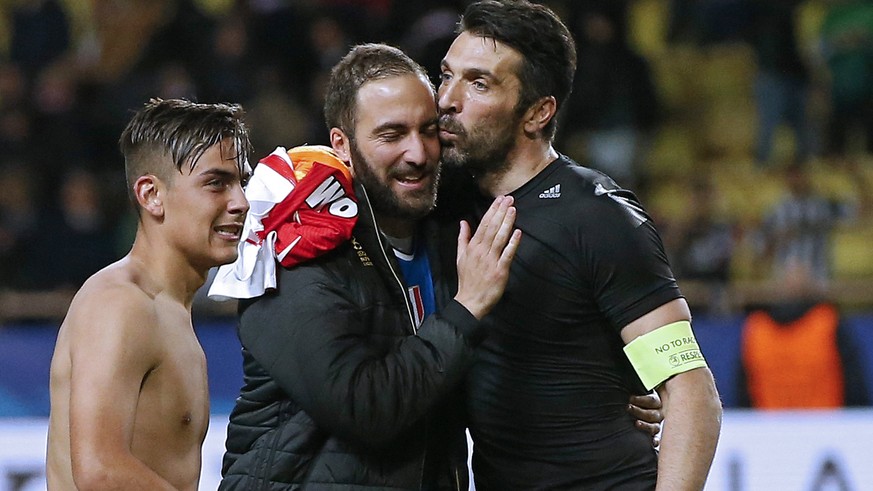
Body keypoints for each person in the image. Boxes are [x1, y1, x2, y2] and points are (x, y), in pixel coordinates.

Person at [436, 1, 723, 489]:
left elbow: (691, 392)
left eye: (479, 83)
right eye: (446, 76)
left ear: (538, 112)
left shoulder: (597, 216)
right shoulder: (445, 200)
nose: (447, 99)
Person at [215, 43, 522, 490]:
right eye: (392, 135)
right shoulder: (296, 250)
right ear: (341, 144)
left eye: (428, 129)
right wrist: (467, 307)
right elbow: (366, 411)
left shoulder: (448, 236)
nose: (418, 153)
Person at [45, 98, 252, 491]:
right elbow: (99, 471)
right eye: (216, 183)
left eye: (242, 181)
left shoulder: (167, 309)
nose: (240, 201)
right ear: (151, 195)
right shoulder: (120, 302)